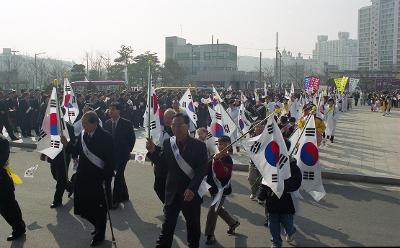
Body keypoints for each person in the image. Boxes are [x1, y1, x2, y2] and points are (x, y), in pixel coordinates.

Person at [146, 113, 208, 248]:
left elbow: (201, 171)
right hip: (172, 193)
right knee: (167, 228)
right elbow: (162, 165)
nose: (175, 128)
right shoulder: (169, 143)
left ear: (187, 126)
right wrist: (152, 152)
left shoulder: (199, 146)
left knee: (193, 227)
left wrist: (192, 188)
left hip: (190, 194)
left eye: (179, 125)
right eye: (173, 125)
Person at [61, 111, 114, 247]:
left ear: (94, 123)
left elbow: (111, 161)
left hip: (98, 179)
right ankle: (98, 225)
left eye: (85, 124)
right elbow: (77, 151)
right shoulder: (83, 135)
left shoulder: (106, 137)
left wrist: (105, 178)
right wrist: (66, 144)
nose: (83, 126)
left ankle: (99, 234)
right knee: (82, 207)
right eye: (82, 123)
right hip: (83, 176)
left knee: (98, 208)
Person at [257, 155, 302, 248]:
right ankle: (276, 243)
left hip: (287, 202)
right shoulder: (270, 165)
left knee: (288, 223)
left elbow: (296, 183)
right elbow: (264, 182)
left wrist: (281, 184)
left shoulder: (293, 166)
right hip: (271, 202)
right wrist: (261, 195)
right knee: (273, 225)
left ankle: (290, 232)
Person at [204, 136, 240, 245]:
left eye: (224, 144)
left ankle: (210, 235)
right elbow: (206, 169)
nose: (221, 146)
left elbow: (222, 174)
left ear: (229, 146)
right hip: (213, 188)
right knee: (218, 209)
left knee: (213, 210)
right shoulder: (214, 155)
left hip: (221, 190)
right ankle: (232, 223)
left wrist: (217, 160)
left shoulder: (228, 159)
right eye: (219, 144)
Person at [104, 102, 136, 209]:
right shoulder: (107, 123)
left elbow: (132, 139)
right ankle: (125, 195)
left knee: (118, 176)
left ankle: (116, 200)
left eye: (113, 109)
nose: (110, 111)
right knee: (120, 176)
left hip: (122, 155)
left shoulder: (126, 123)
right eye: (109, 109)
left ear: (119, 111)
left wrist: (127, 151)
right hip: (111, 156)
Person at [40, 122, 75, 208]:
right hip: (53, 154)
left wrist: (66, 143)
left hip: (64, 155)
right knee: (55, 175)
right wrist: (43, 153)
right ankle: (71, 186)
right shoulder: (51, 125)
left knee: (61, 178)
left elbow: (73, 142)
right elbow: (45, 139)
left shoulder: (69, 127)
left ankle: (57, 200)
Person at [0, 134, 26, 241]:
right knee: (3, 208)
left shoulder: (3, 141)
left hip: (2, 181)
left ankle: (19, 227)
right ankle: (18, 226)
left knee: (9, 206)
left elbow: (1, 160)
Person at [152, 108, 175, 203]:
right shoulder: (162, 128)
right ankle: (168, 204)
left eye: (167, 117)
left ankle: (170, 206)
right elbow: (159, 144)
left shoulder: (177, 131)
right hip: (160, 163)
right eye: (164, 117)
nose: (165, 119)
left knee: (168, 187)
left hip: (172, 165)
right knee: (158, 187)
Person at [248, 120, 264, 201]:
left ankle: (261, 196)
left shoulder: (266, 137)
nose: (258, 128)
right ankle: (254, 192)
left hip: (263, 163)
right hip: (253, 162)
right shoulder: (252, 137)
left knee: (262, 180)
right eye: (257, 127)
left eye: (260, 127)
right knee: (251, 178)